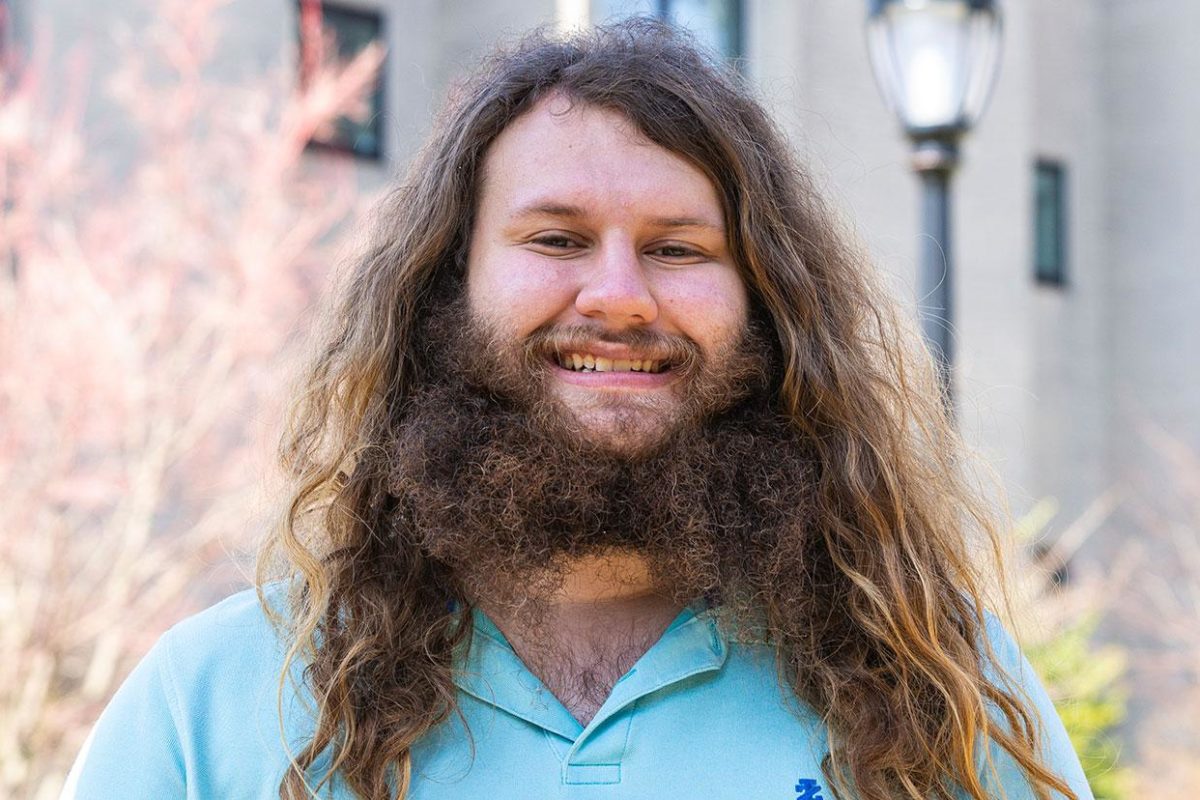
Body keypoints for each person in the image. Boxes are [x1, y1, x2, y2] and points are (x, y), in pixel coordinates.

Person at [64, 18, 1093, 800]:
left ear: (766, 303)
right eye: (555, 239)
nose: (618, 296)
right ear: (446, 286)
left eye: (678, 248)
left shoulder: (937, 690)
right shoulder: (213, 702)